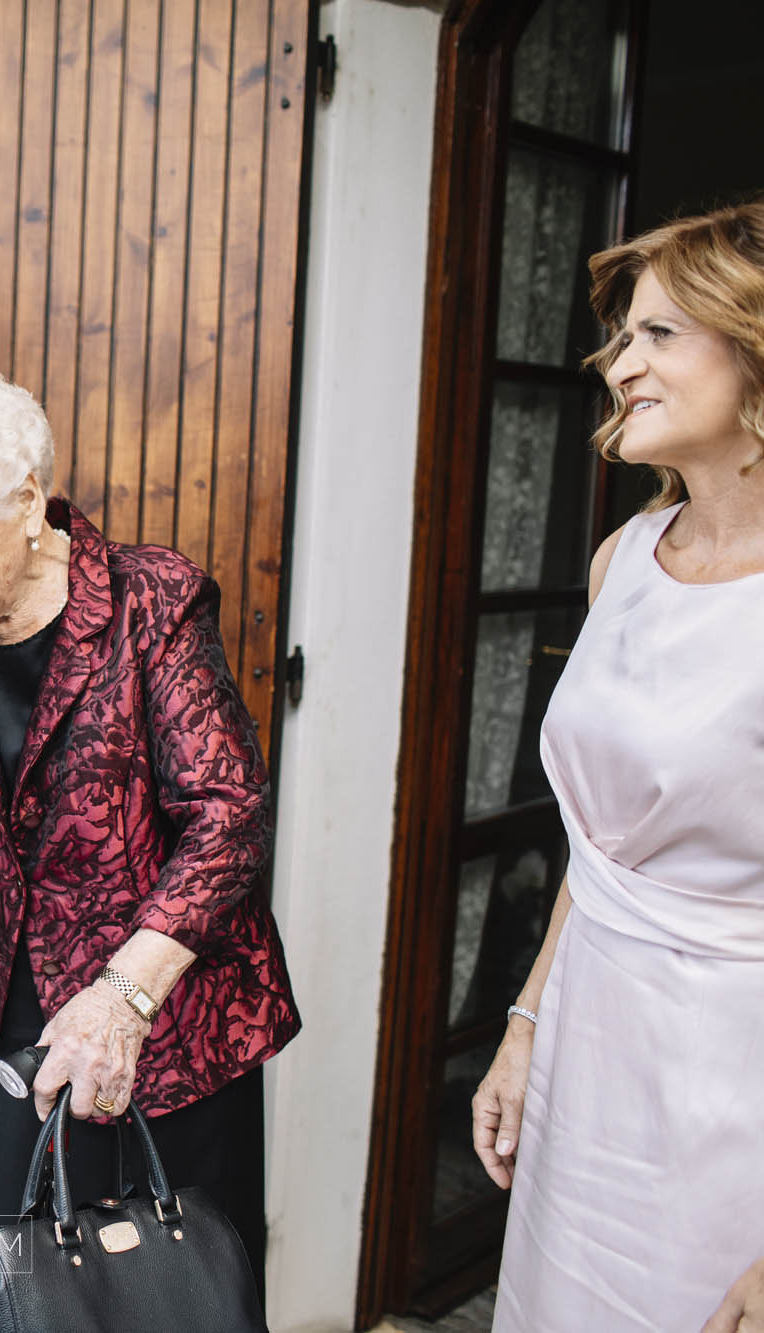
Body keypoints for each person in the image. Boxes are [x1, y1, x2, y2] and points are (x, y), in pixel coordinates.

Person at [0, 366, 299, 1325]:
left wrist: (123, 998)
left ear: (28, 498)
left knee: (167, 1286)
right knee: (7, 1292)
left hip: (159, 1008)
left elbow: (227, 813)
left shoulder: (148, 600)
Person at [470, 203, 764, 1333]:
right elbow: (599, 853)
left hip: (727, 1085)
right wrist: (524, 1022)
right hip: (590, 1048)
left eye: (655, 336)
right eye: (619, 338)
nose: (616, 366)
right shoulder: (623, 560)